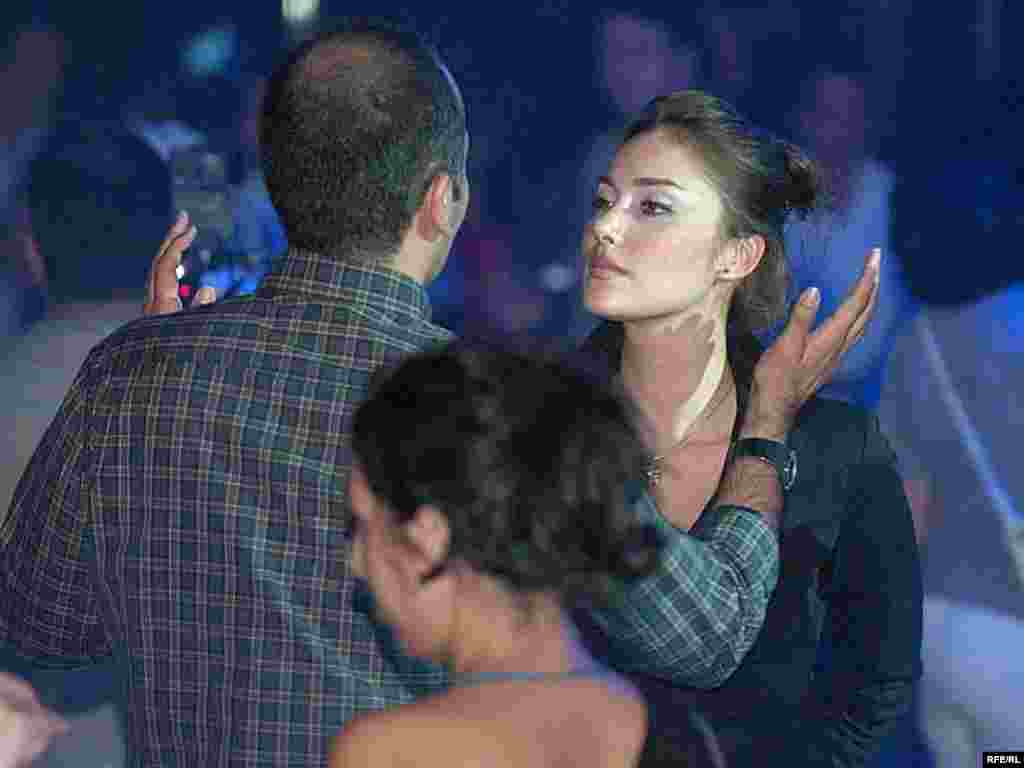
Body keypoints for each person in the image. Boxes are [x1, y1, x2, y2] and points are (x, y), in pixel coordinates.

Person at [4, 16, 875, 767]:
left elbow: (41, 630)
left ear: (278, 182)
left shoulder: (130, 376)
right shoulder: (495, 408)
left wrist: (157, 391)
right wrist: (766, 425)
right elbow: (705, 633)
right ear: (440, 202)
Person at [570, 90, 921, 768]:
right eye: (603, 200)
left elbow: (879, 681)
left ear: (736, 255)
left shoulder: (835, 448)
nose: (605, 227)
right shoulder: (541, 422)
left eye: (652, 206)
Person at [329, 340, 659, 767]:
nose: (355, 562)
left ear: (428, 538)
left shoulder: (387, 752)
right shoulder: (668, 731)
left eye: (362, 524)